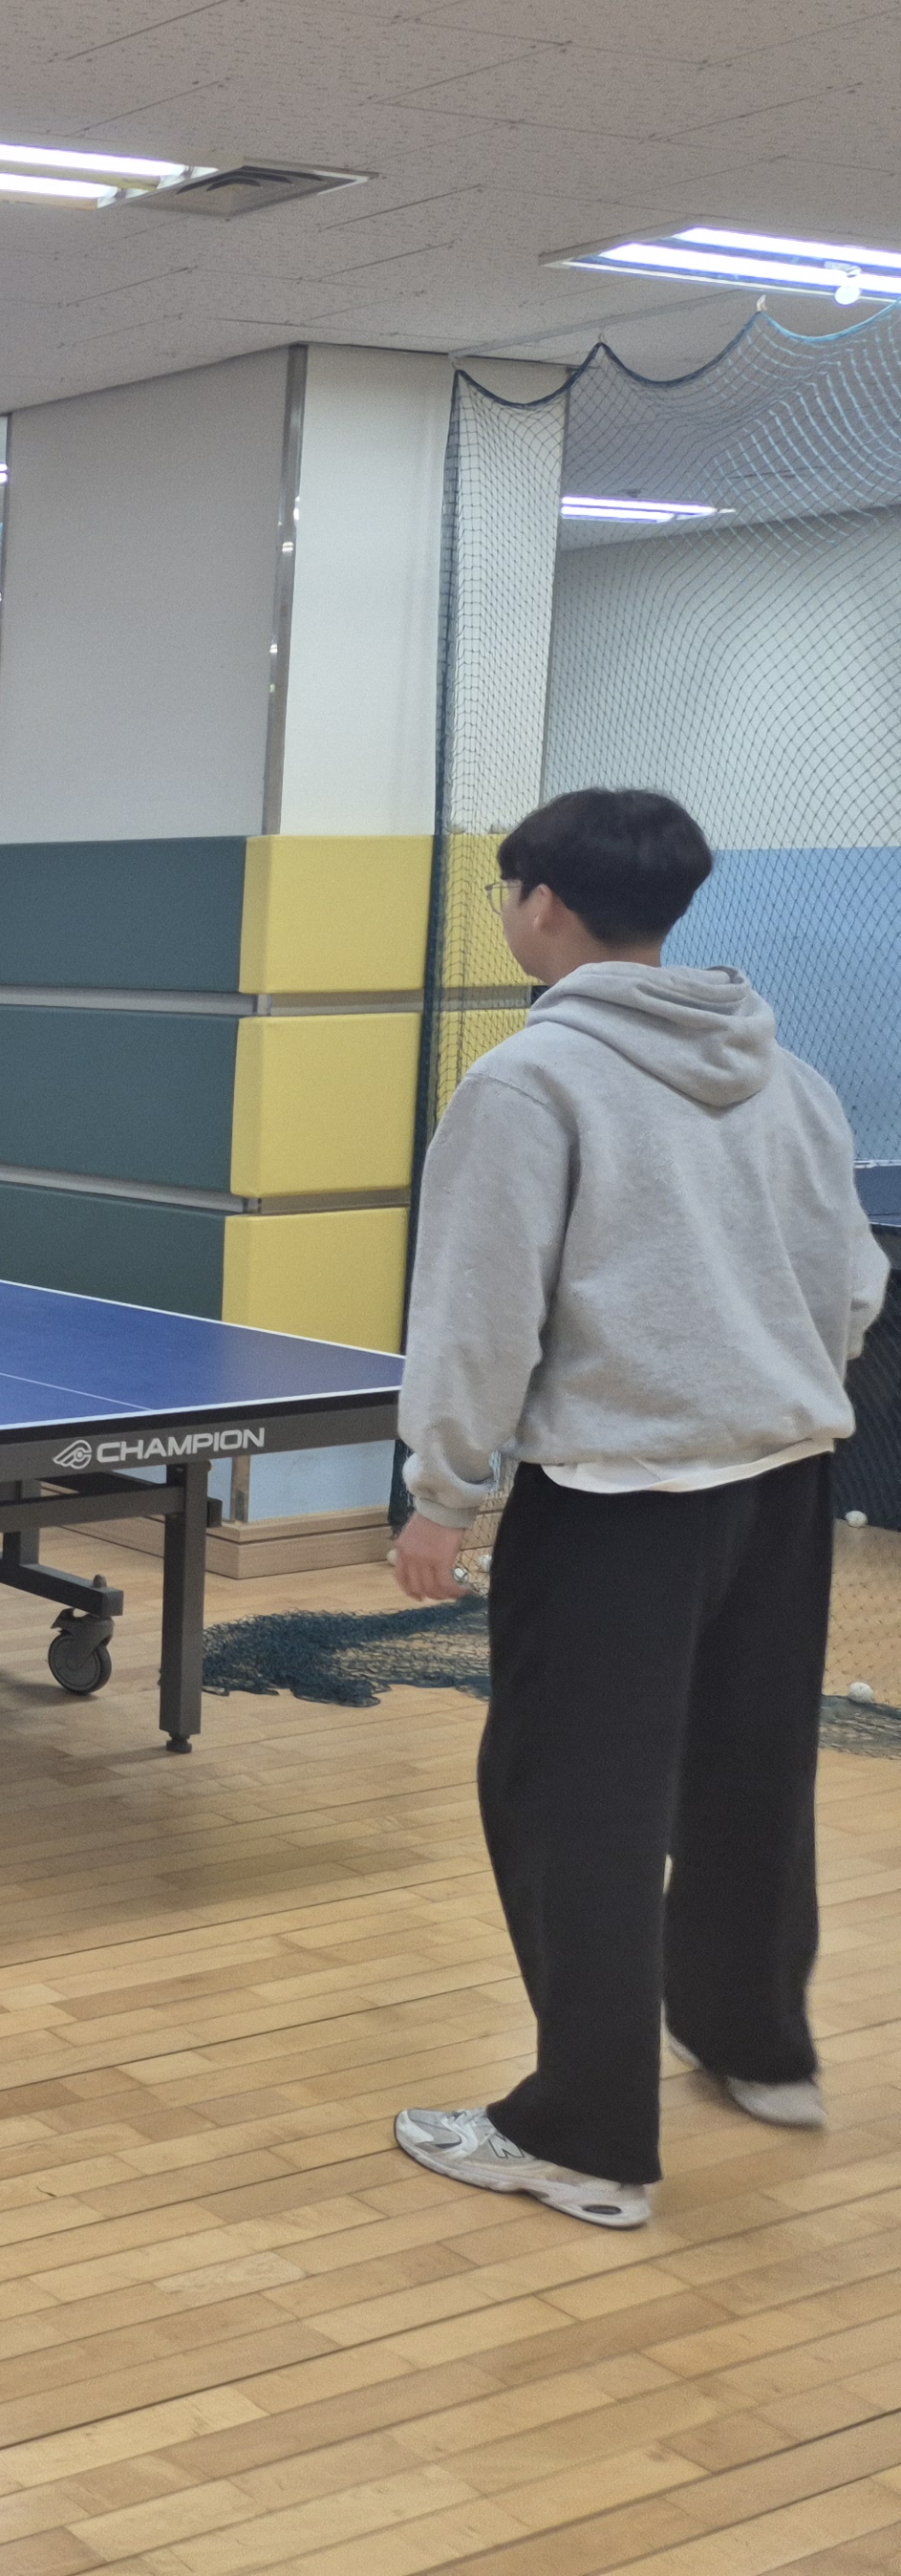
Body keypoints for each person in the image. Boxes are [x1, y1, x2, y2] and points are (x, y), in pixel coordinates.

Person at [388, 788, 886, 2231]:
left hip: (618, 1502)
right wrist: (764, 1384)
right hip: (785, 1484)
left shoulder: (525, 1085)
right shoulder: (786, 1074)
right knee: (747, 1770)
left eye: (506, 891)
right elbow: (855, 1284)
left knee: (571, 1800)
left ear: (541, 904)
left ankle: (584, 2135)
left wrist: (443, 1493)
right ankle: (757, 2048)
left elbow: (479, 1313)